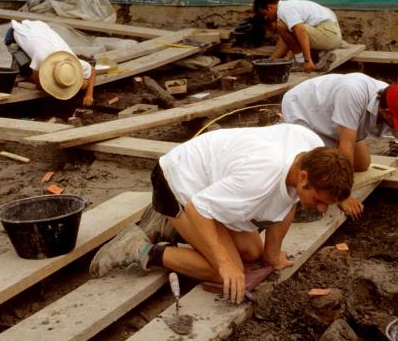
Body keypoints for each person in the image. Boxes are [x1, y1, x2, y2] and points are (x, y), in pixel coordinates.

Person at [89, 124, 354, 304]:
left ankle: (170, 225)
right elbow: (199, 207)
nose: (320, 209)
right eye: (319, 201)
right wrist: (224, 262)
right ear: (304, 176)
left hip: (212, 183)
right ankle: (141, 250)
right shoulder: (260, 177)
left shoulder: (312, 151)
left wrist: (272, 255)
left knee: (252, 254)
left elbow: (290, 200)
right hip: (177, 183)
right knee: (224, 272)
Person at [281, 73, 398, 219]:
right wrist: (344, 196)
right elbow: (346, 146)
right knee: (319, 169)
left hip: (340, 124)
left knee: (362, 165)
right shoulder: (353, 91)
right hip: (305, 110)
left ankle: (342, 135)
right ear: (386, 113)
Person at [7, 20, 96, 106]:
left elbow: (92, 70)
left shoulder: (71, 59)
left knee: (31, 64)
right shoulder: (41, 57)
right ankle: (18, 64)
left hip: (40, 28)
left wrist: (89, 95)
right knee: (26, 71)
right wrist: (77, 82)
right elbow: (39, 84)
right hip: (15, 34)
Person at [253, 0, 342, 73]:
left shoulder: (285, 9)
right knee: (288, 28)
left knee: (283, 26)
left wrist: (307, 60)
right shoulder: (288, 6)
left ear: (270, 7)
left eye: (264, 14)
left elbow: (301, 32)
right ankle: (320, 59)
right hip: (331, 34)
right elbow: (288, 42)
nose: (265, 18)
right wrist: (269, 61)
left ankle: (302, 61)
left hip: (329, 35)